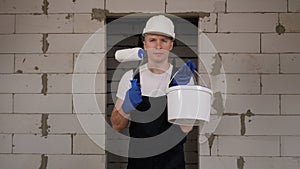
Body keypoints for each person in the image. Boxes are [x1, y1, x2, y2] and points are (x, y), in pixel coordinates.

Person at [110, 15, 196, 169]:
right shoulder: (130, 78)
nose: (158, 46)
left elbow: (186, 128)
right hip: (139, 163)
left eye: (164, 40)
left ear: (171, 45)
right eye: (152, 40)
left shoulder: (183, 78)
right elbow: (117, 125)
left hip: (173, 162)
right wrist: (126, 107)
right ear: (144, 44)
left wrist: (177, 93)